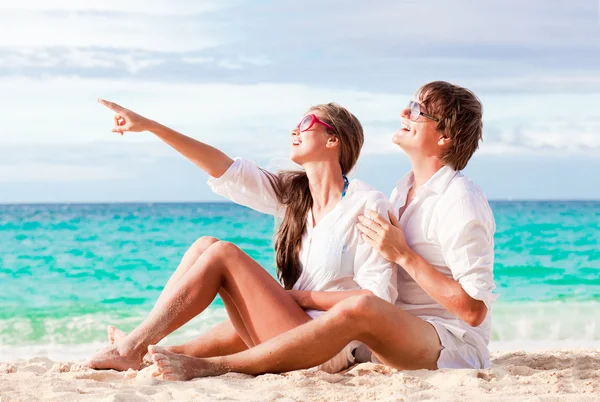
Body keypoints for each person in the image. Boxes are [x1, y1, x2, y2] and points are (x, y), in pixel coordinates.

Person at [144, 81, 498, 380]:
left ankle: (210, 366)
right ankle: (148, 349)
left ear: (445, 137)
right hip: (386, 336)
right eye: (410, 106)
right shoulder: (402, 193)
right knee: (216, 252)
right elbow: (232, 173)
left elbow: (473, 310)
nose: (406, 114)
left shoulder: (459, 198)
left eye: (419, 111)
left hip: (450, 344)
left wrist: (402, 254)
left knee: (361, 307)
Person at [80, 100, 398, 373]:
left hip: (325, 345)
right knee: (206, 246)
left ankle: (131, 348)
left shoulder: (366, 204)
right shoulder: (296, 197)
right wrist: (152, 126)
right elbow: (224, 168)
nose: (294, 131)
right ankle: (144, 346)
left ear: (333, 140)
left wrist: (299, 298)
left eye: (306, 123)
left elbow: (378, 299)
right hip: (291, 325)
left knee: (224, 255)